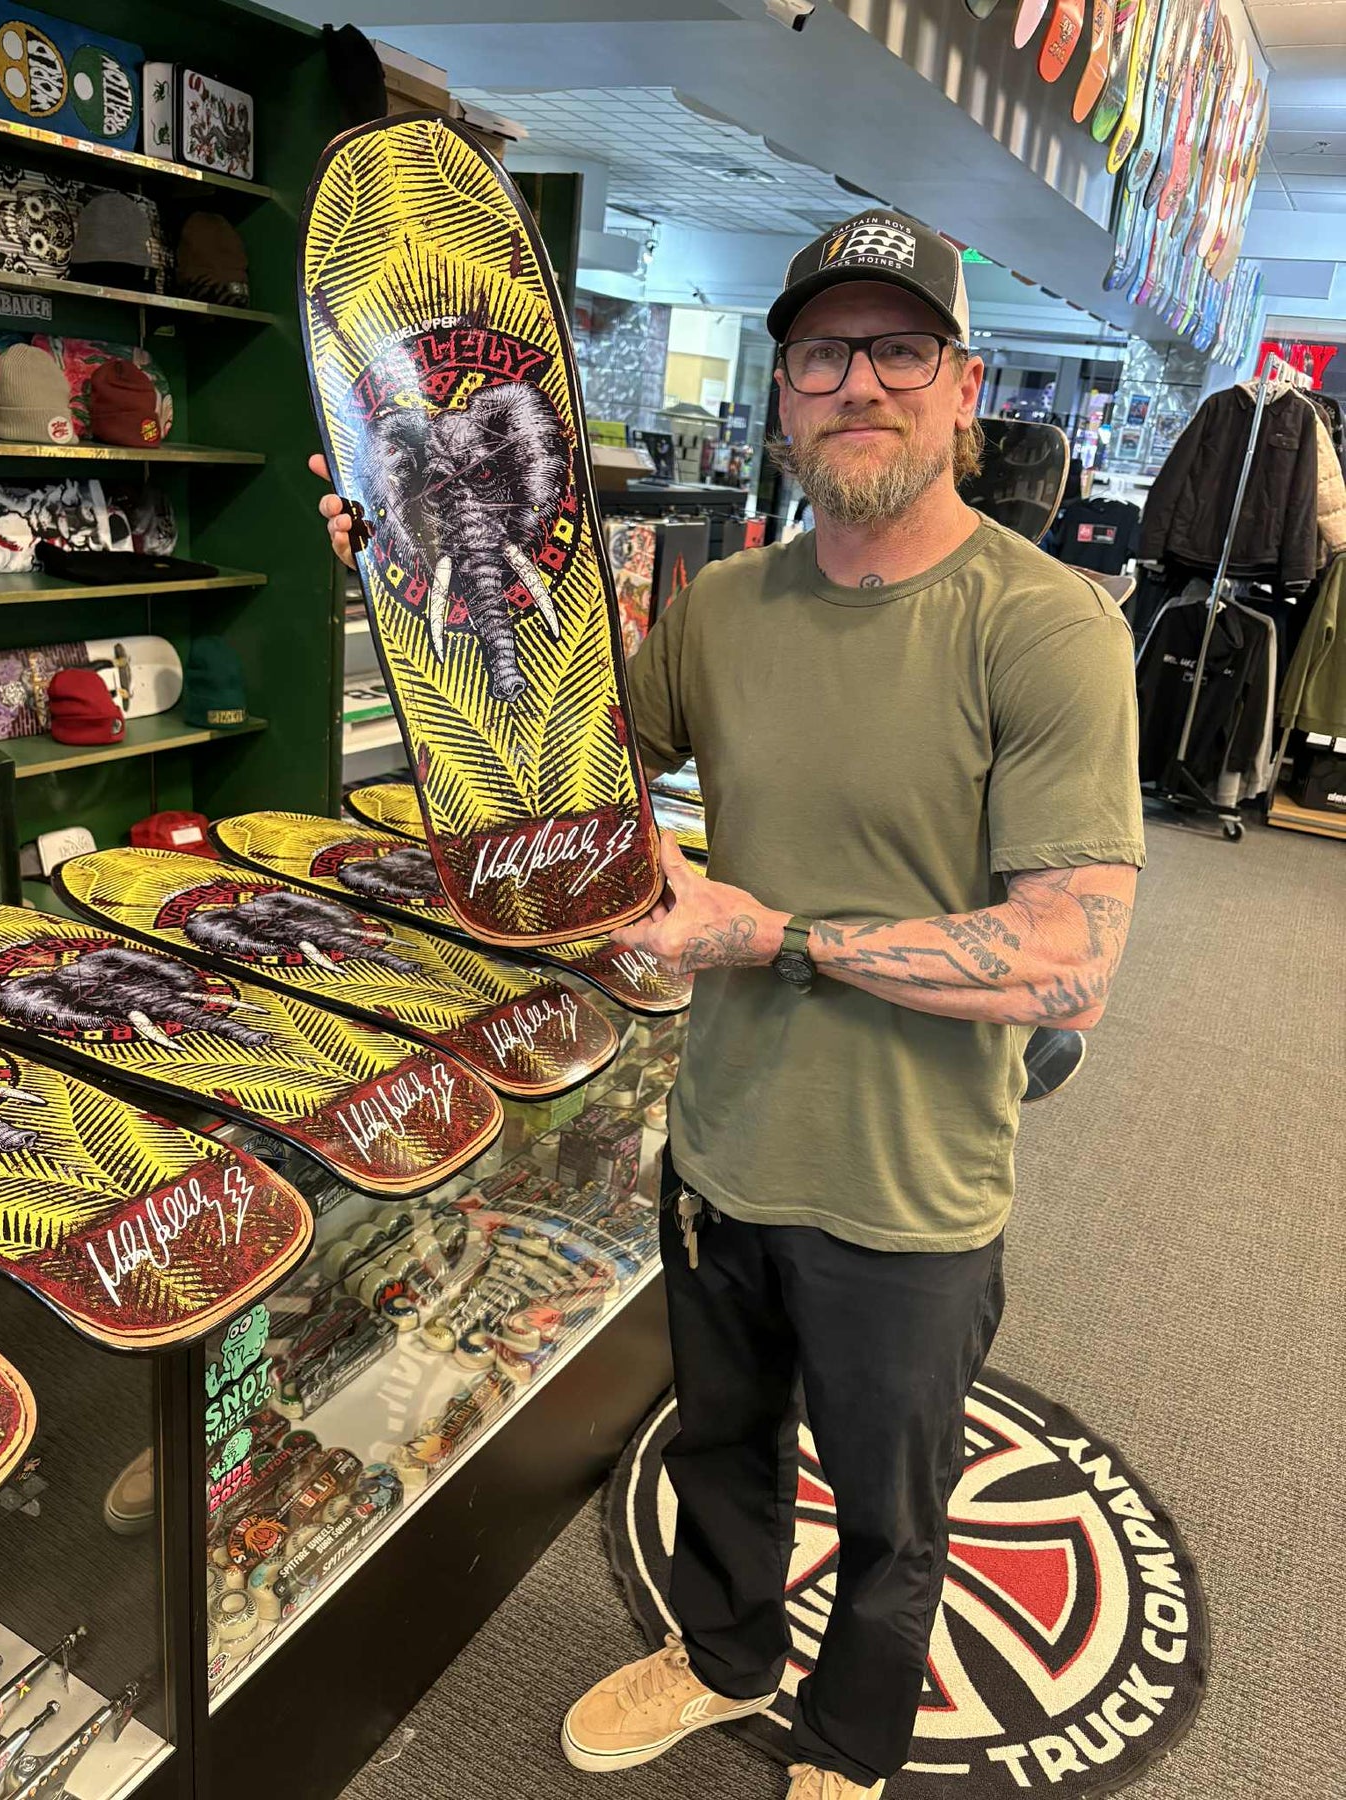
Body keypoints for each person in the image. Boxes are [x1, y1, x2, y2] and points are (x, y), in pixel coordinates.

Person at [312, 205, 1145, 1800]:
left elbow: (1067, 958)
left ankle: (849, 1741)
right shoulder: (725, 608)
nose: (859, 385)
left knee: (893, 1509)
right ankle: (721, 1656)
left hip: (907, 1184)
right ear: (783, 397)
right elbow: (559, 752)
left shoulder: (1044, 625)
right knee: (718, 1443)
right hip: (719, 1143)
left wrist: (778, 939)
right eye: (821, 356)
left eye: (898, 350)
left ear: (962, 386)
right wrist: (412, 575)